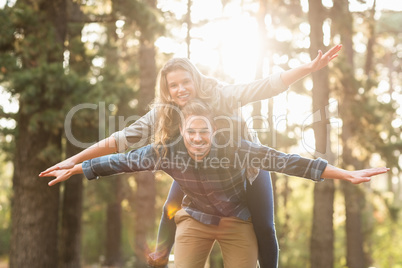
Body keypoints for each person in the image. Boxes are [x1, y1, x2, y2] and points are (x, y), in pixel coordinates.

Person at [40, 44, 343, 268]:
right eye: (174, 86)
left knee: (264, 226)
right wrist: (73, 161)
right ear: (168, 91)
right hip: (194, 167)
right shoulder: (163, 115)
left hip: (246, 164)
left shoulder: (220, 95)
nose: (181, 89)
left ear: (195, 80)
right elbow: (119, 141)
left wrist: (308, 68)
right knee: (170, 209)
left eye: (186, 81)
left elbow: (262, 88)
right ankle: (160, 260)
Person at [41, 99, 388, 268]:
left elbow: (289, 162)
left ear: (214, 131)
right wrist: (75, 167)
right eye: (191, 132)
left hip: (237, 222)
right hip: (195, 220)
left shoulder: (237, 149)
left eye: (203, 131)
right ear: (182, 132)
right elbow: (119, 161)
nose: (197, 138)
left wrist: (344, 174)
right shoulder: (164, 151)